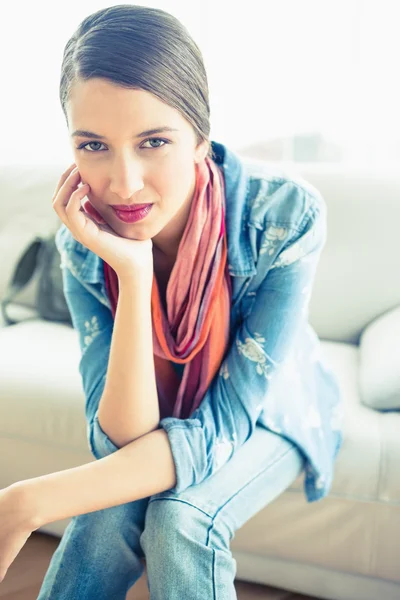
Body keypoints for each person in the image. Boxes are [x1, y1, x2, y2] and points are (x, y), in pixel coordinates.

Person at [0, 4, 343, 598]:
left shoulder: (283, 216)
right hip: (164, 423)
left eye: (153, 141)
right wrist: (132, 277)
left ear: (200, 137)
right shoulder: (84, 246)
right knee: (106, 510)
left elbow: (222, 429)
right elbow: (122, 444)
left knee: (180, 518)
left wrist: (24, 504)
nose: (124, 182)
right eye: (94, 145)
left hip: (275, 411)